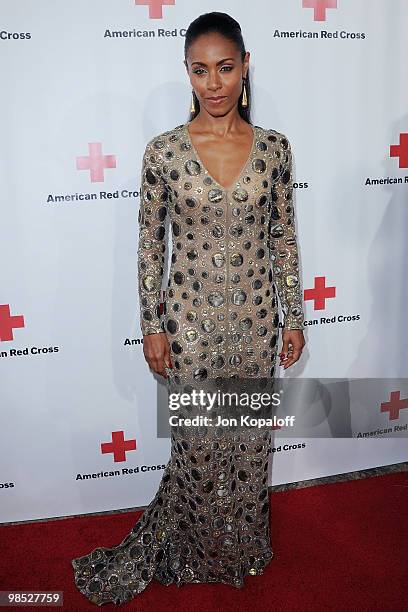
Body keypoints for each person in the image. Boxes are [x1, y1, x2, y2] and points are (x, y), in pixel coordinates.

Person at [71, 11, 306, 606]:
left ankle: (244, 548)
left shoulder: (275, 150)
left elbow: (283, 238)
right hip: (190, 329)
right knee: (198, 447)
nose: (215, 83)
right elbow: (150, 244)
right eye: (200, 71)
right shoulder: (165, 153)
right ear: (187, 73)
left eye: (226, 67)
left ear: (246, 66)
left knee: (249, 443)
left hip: (255, 326)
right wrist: (151, 324)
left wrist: (294, 315)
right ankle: (194, 549)